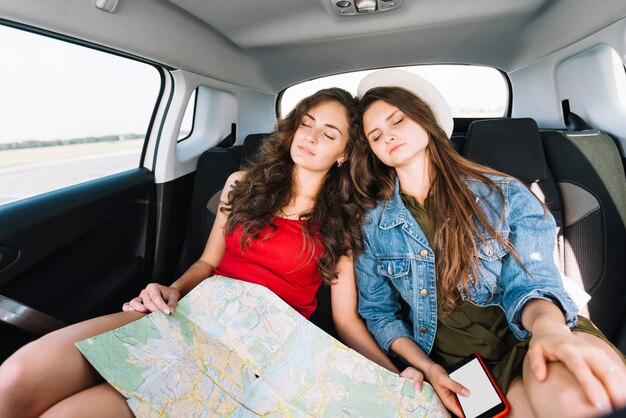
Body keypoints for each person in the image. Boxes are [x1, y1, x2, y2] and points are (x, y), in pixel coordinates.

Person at [0, 88, 403, 418]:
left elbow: (346, 319)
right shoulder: (241, 184)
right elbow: (207, 263)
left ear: (346, 154)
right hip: (193, 311)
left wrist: (397, 378)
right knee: (17, 375)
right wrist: (171, 289)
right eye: (306, 124)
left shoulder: (346, 220)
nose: (311, 137)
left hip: (254, 344)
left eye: (329, 134)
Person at [353, 69, 626, 418]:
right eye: (375, 135)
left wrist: (549, 330)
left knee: (580, 399)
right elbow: (379, 314)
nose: (387, 136)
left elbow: (532, 281)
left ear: (425, 120)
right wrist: (429, 368)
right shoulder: (373, 224)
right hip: (468, 369)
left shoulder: (504, 194)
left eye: (397, 121)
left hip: (534, 331)